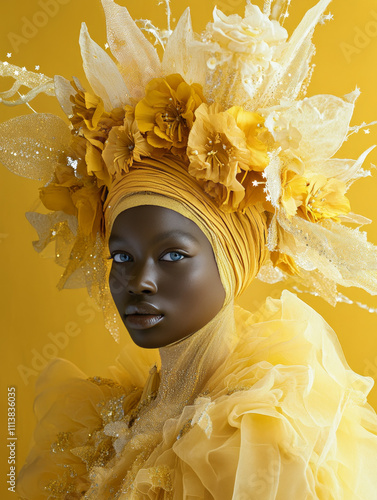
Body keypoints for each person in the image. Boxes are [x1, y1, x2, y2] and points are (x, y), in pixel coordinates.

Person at [1, 0, 377, 497]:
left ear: (234, 262)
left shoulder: (257, 434)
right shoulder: (104, 420)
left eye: (173, 255)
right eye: (122, 256)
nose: (141, 281)